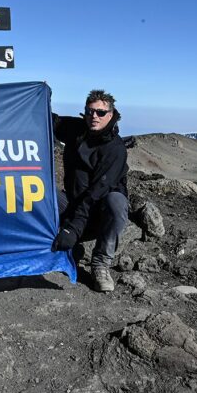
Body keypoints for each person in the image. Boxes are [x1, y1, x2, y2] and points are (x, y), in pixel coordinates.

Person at [50, 89, 130, 292]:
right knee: (39, 195)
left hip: (97, 214)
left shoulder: (115, 149)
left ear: (110, 115)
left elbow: (94, 195)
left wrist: (73, 229)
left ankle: (101, 263)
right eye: (90, 111)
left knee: (117, 202)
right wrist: (41, 99)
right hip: (72, 203)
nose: (94, 116)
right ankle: (44, 245)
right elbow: (50, 122)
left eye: (101, 113)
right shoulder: (77, 129)